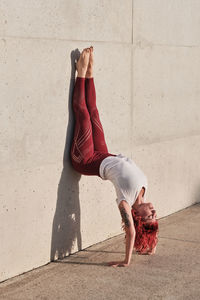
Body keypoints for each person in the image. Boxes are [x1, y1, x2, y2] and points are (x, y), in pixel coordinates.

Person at [70, 47, 158, 267]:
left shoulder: (126, 203)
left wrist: (126, 260)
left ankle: (80, 73)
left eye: (149, 216)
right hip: (104, 155)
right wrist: (152, 243)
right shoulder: (143, 194)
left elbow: (130, 232)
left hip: (86, 159)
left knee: (82, 112)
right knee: (95, 112)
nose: (154, 211)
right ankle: (90, 73)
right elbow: (146, 229)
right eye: (155, 215)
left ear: (137, 215)